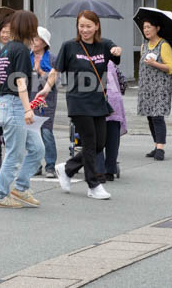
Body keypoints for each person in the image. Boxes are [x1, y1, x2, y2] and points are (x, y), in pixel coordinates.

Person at [41, 10, 120, 201]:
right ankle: (94, 185)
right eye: (81, 26)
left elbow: (115, 52)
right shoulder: (70, 46)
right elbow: (55, 70)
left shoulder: (104, 45)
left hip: (98, 101)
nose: (84, 30)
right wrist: (46, 88)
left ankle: (67, 168)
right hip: (78, 101)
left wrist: (118, 50)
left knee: (99, 143)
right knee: (90, 142)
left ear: (96, 26)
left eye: (88, 26)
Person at [0, 10, 44, 208]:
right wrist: (27, 109)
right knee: (15, 153)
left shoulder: (6, 49)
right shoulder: (19, 49)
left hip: (9, 103)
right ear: (28, 28)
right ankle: (1, 194)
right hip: (15, 105)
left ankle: (20, 187)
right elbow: (20, 82)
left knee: (38, 149)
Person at [136, 17, 172, 161]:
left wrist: (154, 63)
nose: (146, 30)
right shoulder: (144, 46)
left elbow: (171, 68)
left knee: (158, 116)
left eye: (149, 27)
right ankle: (155, 145)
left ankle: (161, 148)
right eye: (144, 27)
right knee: (150, 117)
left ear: (157, 28)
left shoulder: (164, 45)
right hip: (147, 87)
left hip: (160, 87)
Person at [31, 26, 58, 177]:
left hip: (47, 100)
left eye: (36, 38)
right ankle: (35, 164)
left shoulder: (52, 58)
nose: (33, 42)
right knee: (32, 133)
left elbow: (56, 81)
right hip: (29, 98)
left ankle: (50, 165)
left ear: (43, 42)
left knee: (46, 132)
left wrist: (40, 71)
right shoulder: (26, 56)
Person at [98, 58, 127, 181]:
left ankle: (99, 170)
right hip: (115, 103)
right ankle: (110, 170)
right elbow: (123, 83)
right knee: (113, 139)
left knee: (97, 139)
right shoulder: (112, 63)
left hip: (98, 103)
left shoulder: (92, 61)